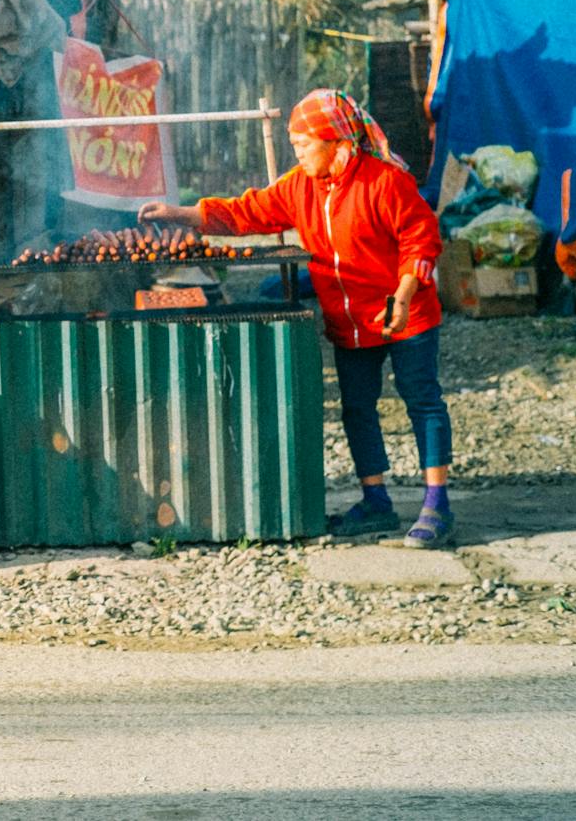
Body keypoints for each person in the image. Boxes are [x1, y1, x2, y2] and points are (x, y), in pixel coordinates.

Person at [139, 89, 454, 548]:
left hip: (406, 311)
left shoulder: (386, 182)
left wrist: (404, 294)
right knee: (357, 408)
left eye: (304, 145)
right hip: (351, 320)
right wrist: (181, 214)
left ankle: (437, 503)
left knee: (422, 400)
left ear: (338, 144)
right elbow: (247, 211)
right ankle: (376, 500)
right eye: (294, 146)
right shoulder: (300, 186)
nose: (298, 154)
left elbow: (421, 240)